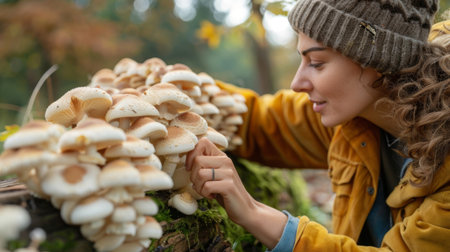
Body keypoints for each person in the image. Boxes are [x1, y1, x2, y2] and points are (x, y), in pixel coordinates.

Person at [186, 0, 450, 251]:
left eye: (316, 63)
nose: (297, 82)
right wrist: (175, 88)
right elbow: (263, 123)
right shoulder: (352, 116)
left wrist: (254, 213)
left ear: (378, 60)